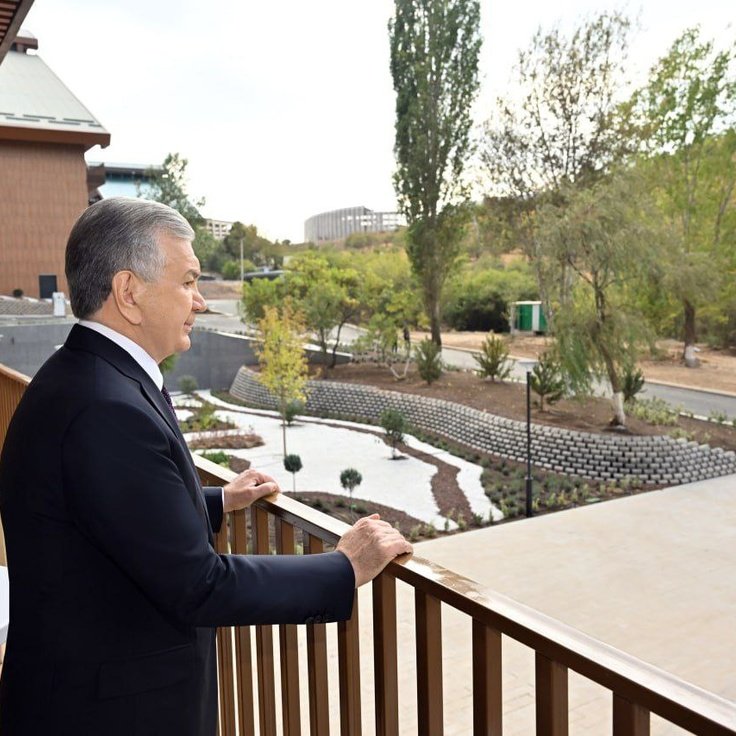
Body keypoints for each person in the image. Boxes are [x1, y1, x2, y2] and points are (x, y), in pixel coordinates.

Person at [0, 197, 412, 735]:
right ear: (129, 292)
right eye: (188, 281)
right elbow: (199, 584)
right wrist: (344, 567)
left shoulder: (81, 374)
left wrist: (215, 500)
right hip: (109, 713)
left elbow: (107, 508)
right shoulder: (104, 406)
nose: (199, 301)